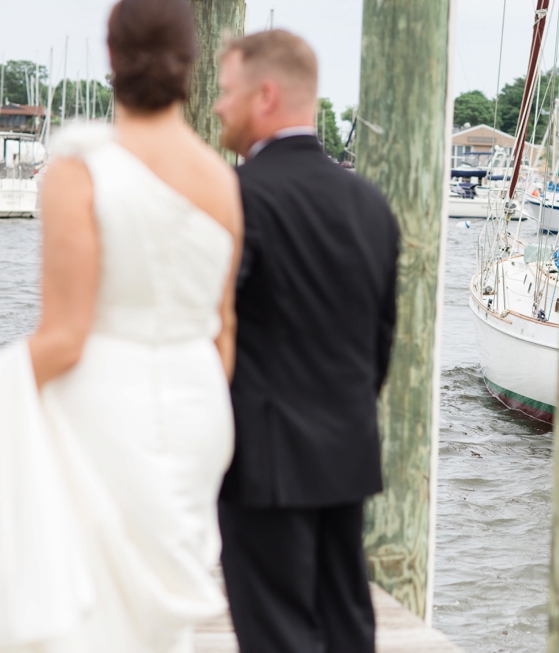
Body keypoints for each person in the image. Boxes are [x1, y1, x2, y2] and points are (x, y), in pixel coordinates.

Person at [0, 0, 243, 650]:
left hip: (106, 400)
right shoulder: (221, 181)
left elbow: (65, 336)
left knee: (100, 613)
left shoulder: (78, 173)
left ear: (110, 58)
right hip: (199, 406)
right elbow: (224, 335)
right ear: (193, 65)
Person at [213, 30, 399, 653]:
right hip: (345, 452)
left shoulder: (238, 198)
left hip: (263, 462)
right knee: (349, 625)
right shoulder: (370, 204)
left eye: (226, 91)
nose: (217, 106)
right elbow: (380, 346)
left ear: (265, 95)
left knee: (276, 635)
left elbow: (214, 334)